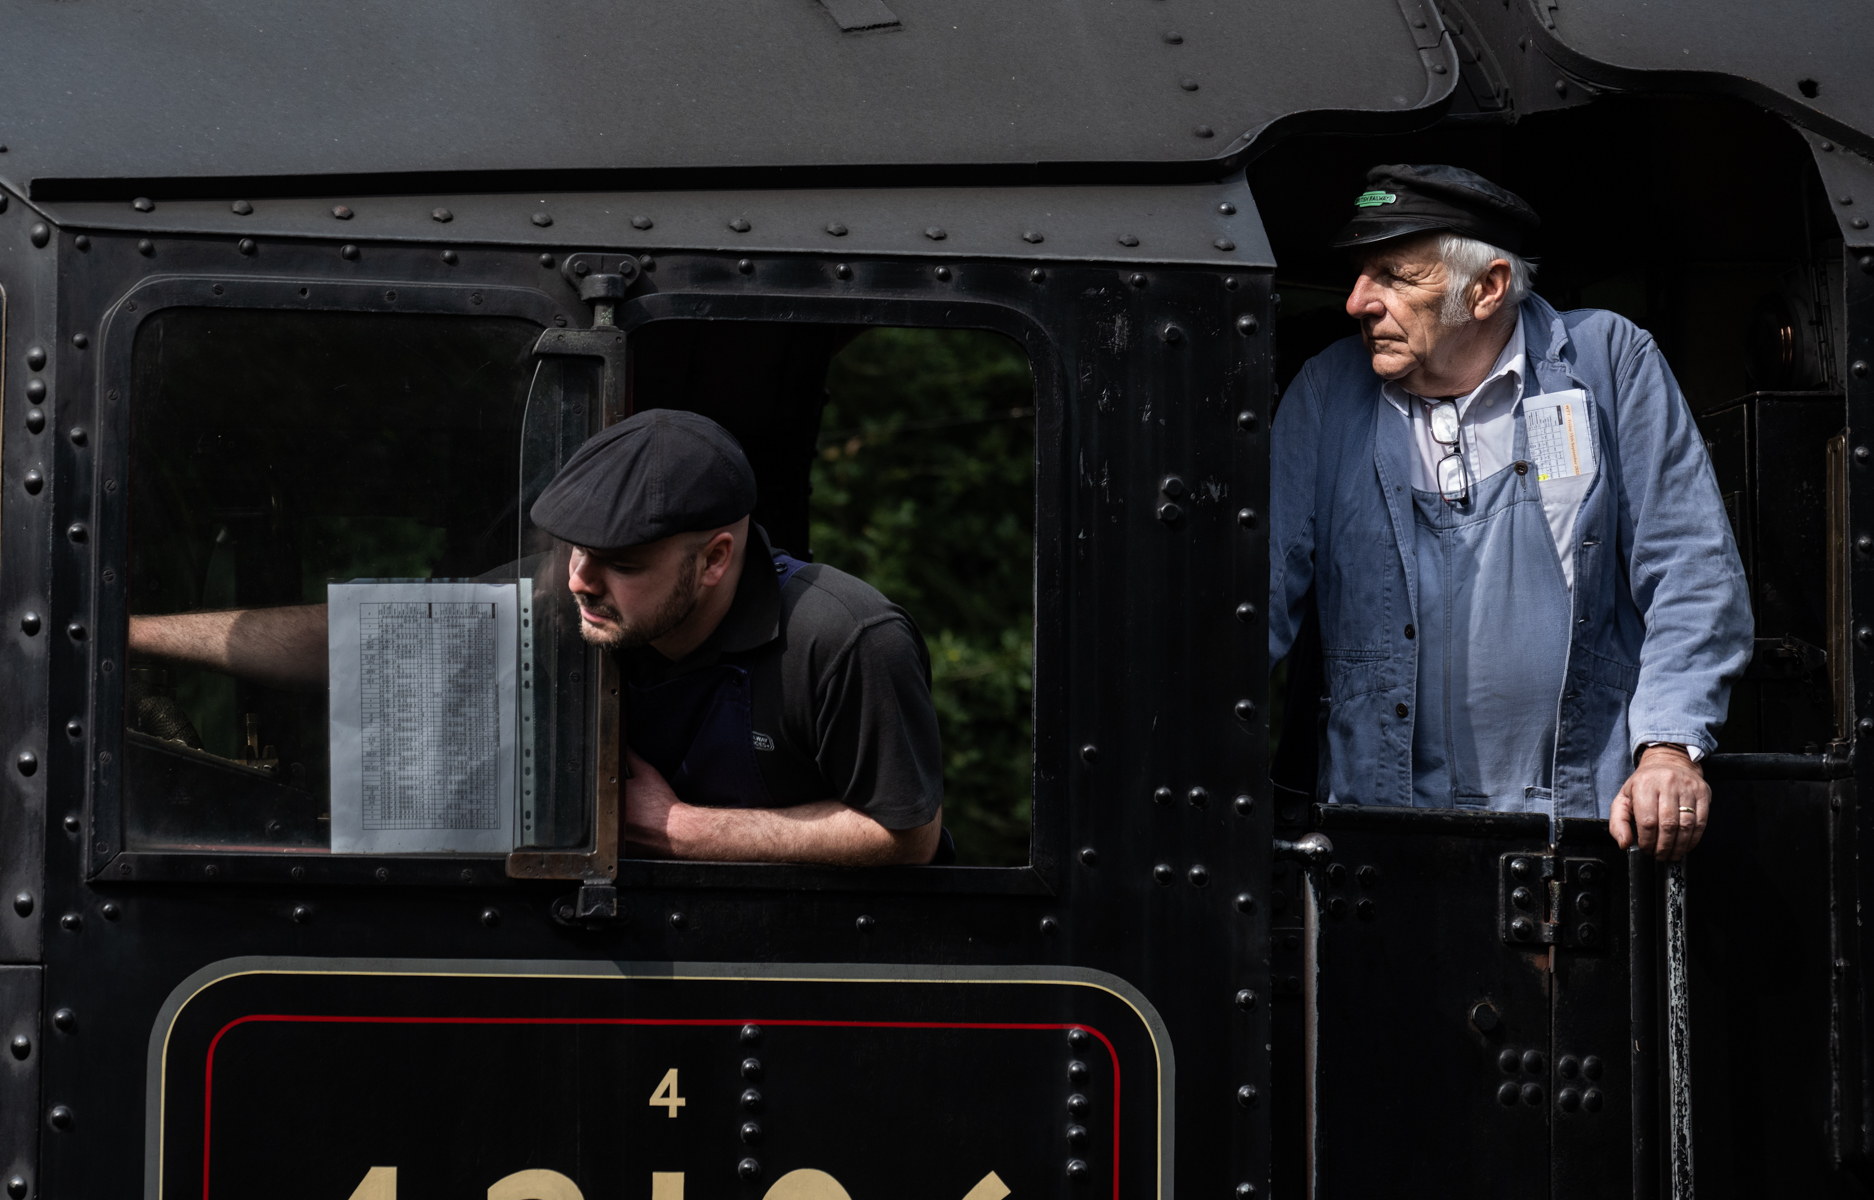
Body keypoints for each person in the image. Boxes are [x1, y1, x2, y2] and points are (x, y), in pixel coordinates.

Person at [129, 409, 946, 867]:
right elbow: (356, 642)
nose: (582, 579)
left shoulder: (845, 640)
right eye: (574, 550)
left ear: (714, 559)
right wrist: (128, 636)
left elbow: (908, 835)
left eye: (622, 562)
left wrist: (681, 829)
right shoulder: (572, 588)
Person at [1268, 163, 1753, 862]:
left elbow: (1691, 570)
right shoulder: (1325, 394)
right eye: (1359, 275)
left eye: (1394, 276)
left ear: (1487, 288)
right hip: (1377, 835)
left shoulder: (1607, 362)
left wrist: (1668, 749)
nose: (1356, 302)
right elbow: (1254, 600)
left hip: (1577, 830)